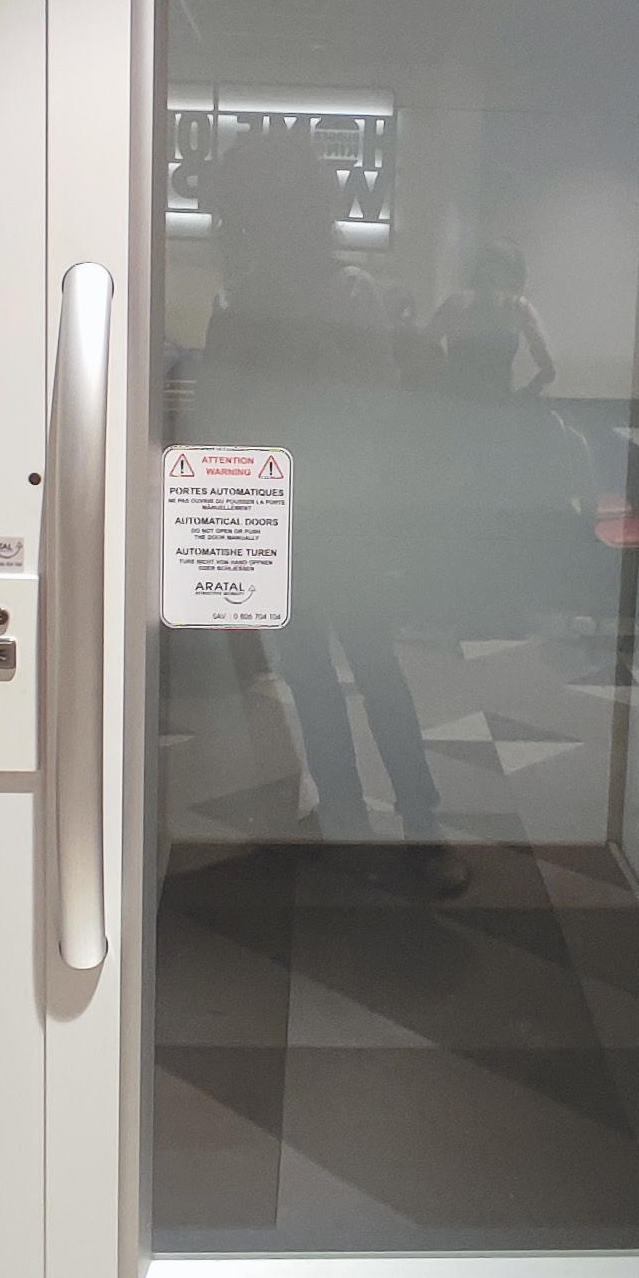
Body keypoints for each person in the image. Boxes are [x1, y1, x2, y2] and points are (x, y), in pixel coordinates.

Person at [184, 131, 463, 891]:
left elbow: (361, 405)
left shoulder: (329, 294)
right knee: (344, 671)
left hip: (323, 515)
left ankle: (395, 825)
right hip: (309, 513)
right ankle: (387, 825)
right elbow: (234, 418)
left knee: (349, 669)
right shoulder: (304, 297)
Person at [427, 243, 557, 398]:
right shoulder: (516, 307)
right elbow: (423, 350)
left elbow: (549, 368)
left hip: (467, 402)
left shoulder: (517, 307)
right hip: (480, 403)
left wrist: (525, 397)